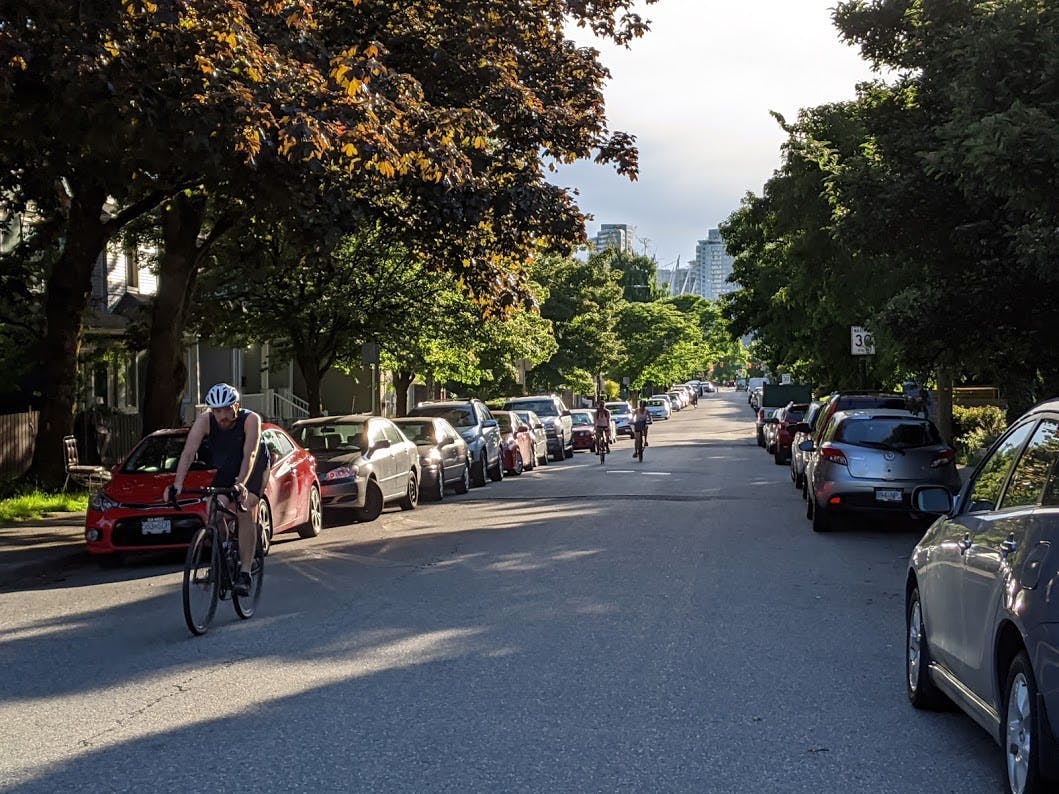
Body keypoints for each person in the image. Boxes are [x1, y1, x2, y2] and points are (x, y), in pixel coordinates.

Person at [165, 383, 270, 596]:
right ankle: (223, 551)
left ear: (236, 407)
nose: (221, 415)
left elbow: (249, 454)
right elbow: (188, 452)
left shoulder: (251, 420)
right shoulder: (205, 421)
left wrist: (241, 484)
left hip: (255, 465)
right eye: (217, 410)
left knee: (244, 507)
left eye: (226, 409)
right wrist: (177, 485)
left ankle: (245, 573)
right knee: (213, 506)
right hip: (229, 465)